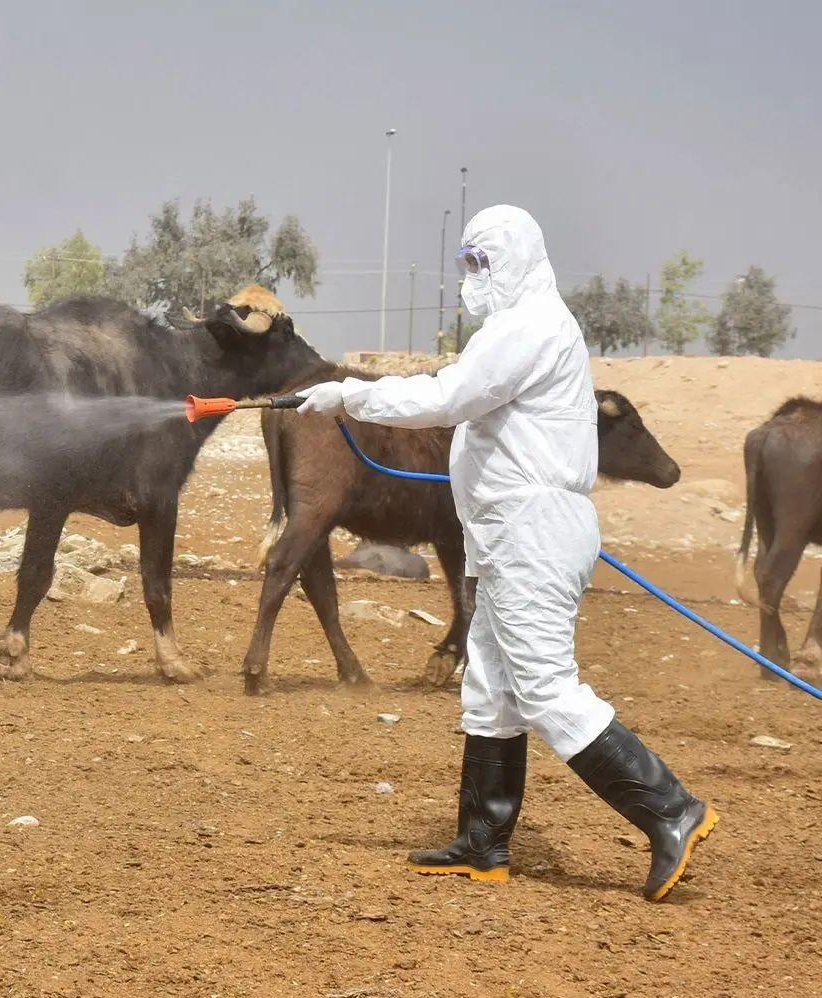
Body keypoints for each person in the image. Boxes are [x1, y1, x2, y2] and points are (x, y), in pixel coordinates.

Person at [295, 205, 717, 901]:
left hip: (534, 530)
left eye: (484, 261)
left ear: (520, 258)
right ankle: (483, 840)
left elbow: (452, 394)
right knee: (491, 687)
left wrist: (351, 394)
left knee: (546, 686)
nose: (474, 276)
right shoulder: (520, 327)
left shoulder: (530, 326)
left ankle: (671, 808)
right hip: (508, 531)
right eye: (469, 262)